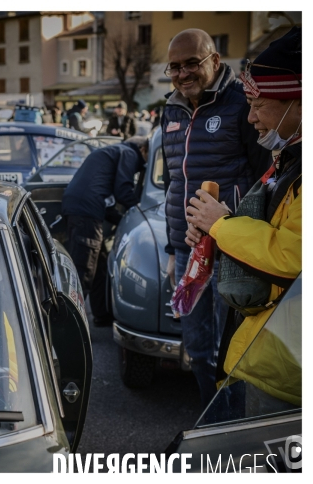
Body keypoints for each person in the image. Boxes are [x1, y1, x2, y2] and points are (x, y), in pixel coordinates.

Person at [184, 27, 302, 416]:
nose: (250, 117)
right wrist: (215, 230)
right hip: (276, 358)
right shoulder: (289, 158)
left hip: (292, 369)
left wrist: (222, 225)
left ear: (300, 104)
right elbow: (273, 231)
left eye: (259, 104)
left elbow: (293, 257)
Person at [161, 28, 270, 414]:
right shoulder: (170, 109)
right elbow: (174, 183)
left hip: (233, 249)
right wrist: (173, 247)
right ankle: (213, 416)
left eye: (192, 63)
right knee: (197, 347)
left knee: (234, 349)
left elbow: (265, 179)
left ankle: (232, 429)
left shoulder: (241, 103)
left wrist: (237, 226)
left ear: (215, 61)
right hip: (189, 249)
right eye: (175, 66)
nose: (183, 72)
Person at [61, 136, 148, 326]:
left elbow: (106, 202)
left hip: (78, 208)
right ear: (143, 149)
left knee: (99, 267)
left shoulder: (112, 151)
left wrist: (123, 219)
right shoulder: (129, 153)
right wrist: (142, 214)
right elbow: (123, 190)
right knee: (83, 271)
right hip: (86, 213)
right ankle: (69, 327)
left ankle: (101, 316)